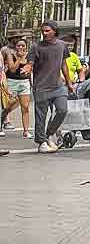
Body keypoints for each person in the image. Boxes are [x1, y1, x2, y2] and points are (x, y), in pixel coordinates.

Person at [28, 21, 74, 153]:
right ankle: (41, 142)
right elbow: (30, 62)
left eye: (47, 31)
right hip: (41, 86)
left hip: (58, 86)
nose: (44, 33)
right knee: (41, 117)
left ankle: (48, 134)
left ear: (55, 31)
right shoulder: (36, 47)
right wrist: (28, 67)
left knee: (62, 110)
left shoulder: (61, 45)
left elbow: (63, 64)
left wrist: (69, 82)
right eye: (43, 31)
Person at [3, 37, 34, 138]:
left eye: (23, 46)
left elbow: (30, 69)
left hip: (24, 82)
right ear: (15, 47)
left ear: (26, 46)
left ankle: (26, 131)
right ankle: (2, 123)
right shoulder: (10, 54)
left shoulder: (29, 55)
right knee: (8, 106)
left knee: (25, 108)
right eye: (19, 46)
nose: (21, 47)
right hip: (12, 82)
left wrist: (31, 83)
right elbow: (12, 69)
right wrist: (19, 58)